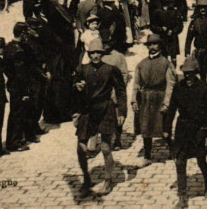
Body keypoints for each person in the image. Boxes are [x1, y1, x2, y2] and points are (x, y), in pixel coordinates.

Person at [72, 38, 127, 197]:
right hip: (88, 111)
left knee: (105, 147)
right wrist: (77, 86)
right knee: (81, 148)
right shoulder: (83, 69)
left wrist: (122, 111)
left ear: (102, 54)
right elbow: (74, 86)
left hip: (106, 109)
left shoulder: (110, 69)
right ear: (88, 54)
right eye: (92, 53)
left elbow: (121, 91)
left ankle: (108, 180)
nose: (95, 56)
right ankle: (86, 178)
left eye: (98, 53)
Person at [163, 56, 207, 206]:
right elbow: (172, 109)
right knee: (180, 161)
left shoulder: (204, 89)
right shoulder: (178, 87)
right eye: (185, 73)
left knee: (201, 160)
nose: (188, 76)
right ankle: (183, 197)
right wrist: (167, 129)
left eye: (191, 73)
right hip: (182, 130)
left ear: (196, 72)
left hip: (199, 131)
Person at [132, 34, 176, 165]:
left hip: (160, 98)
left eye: (155, 44)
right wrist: (134, 100)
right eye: (150, 45)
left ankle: (173, 152)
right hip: (145, 99)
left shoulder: (166, 63)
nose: (152, 47)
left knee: (163, 128)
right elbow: (136, 84)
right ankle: (147, 155)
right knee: (145, 128)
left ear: (160, 45)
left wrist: (167, 103)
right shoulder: (141, 64)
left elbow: (170, 85)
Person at [3, 22, 42, 152]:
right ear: (23, 34)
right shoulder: (18, 51)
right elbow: (20, 73)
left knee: (24, 111)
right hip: (19, 87)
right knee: (17, 114)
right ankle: (14, 142)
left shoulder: (9, 47)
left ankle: (27, 135)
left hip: (14, 84)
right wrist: (25, 90)